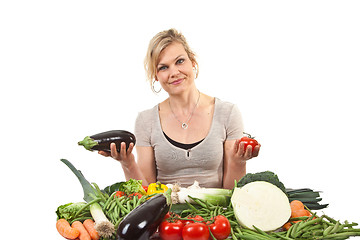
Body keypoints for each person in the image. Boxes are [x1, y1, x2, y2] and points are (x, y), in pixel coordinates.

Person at [99, 28, 260, 189]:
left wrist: (239, 162)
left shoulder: (227, 113)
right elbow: (145, 195)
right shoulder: (146, 121)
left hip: (215, 213)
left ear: (193, 62)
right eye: (163, 67)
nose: (174, 72)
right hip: (166, 214)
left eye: (180, 61)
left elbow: (232, 194)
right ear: (156, 76)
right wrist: (128, 163)